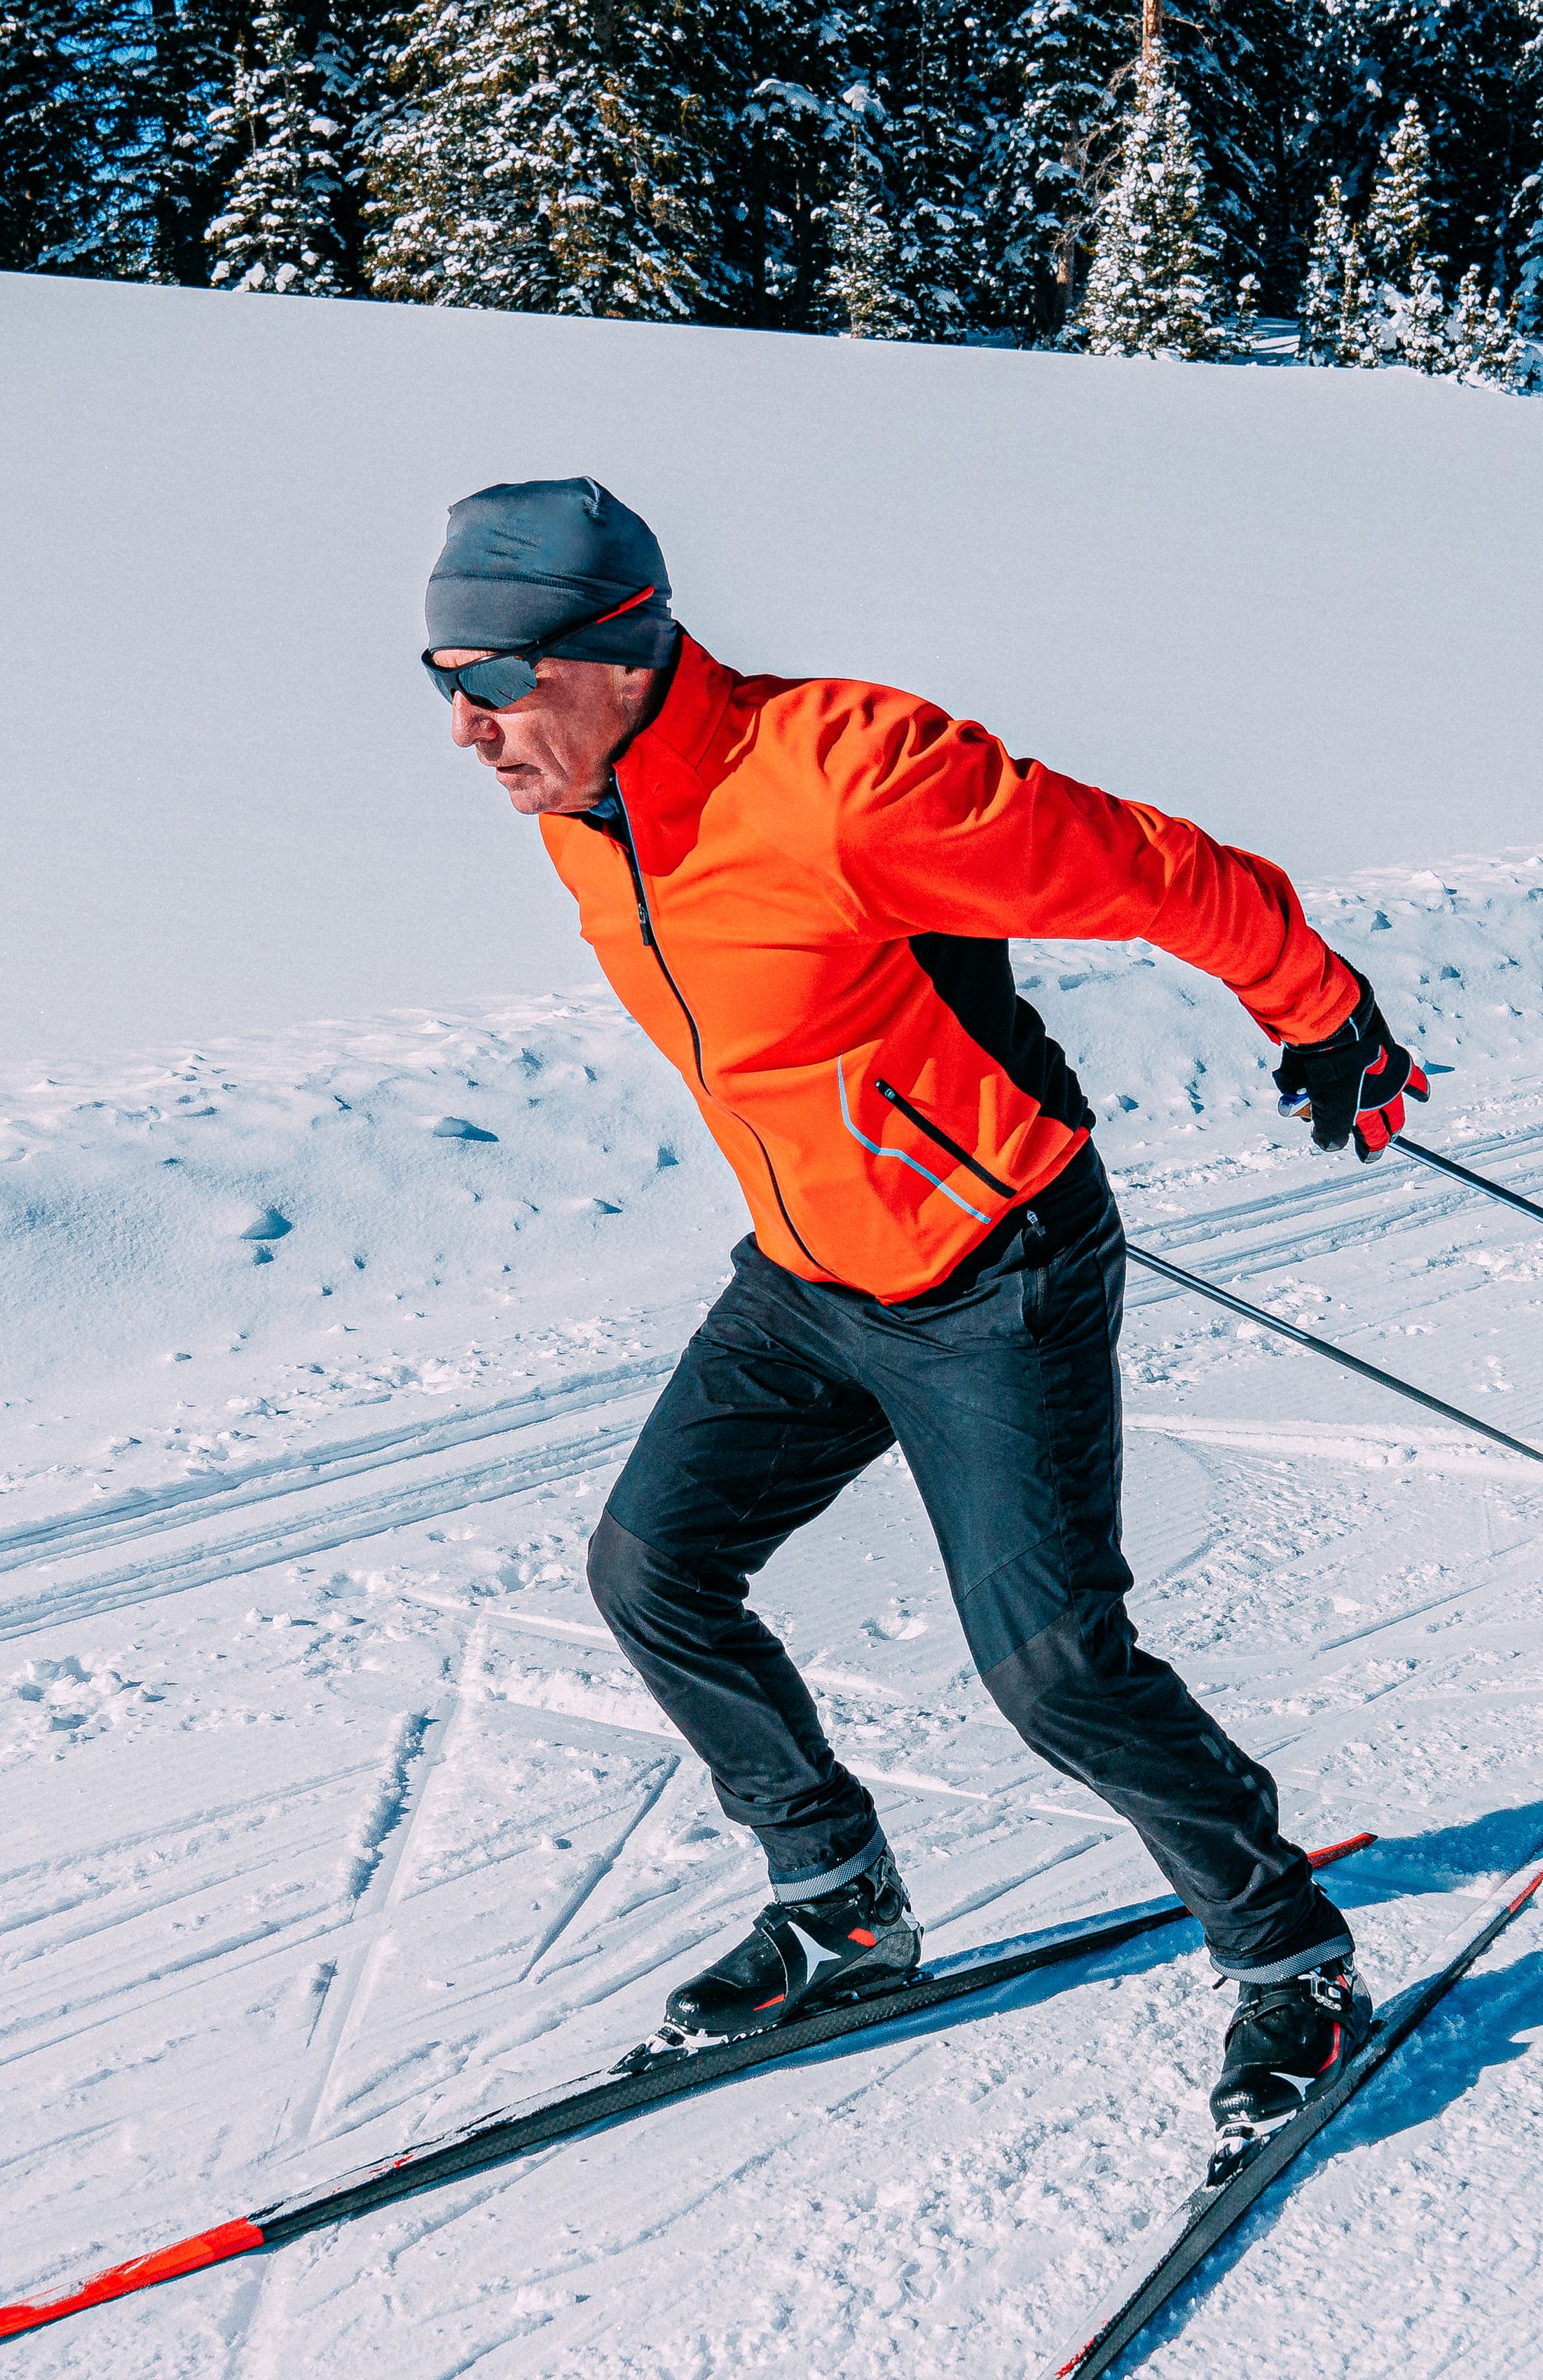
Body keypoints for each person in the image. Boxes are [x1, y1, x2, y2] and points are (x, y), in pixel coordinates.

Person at [421, 476, 1429, 2178]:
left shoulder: (850, 776)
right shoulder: (584, 800)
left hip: (990, 1271)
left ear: (623, 652)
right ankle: (838, 1909)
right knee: (652, 1571)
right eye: (440, 681)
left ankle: (1291, 1963)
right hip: (805, 1274)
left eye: (498, 680)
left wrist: (1320, 1011)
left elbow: (1159, 872)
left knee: (1056, 1672)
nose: (466, 730)